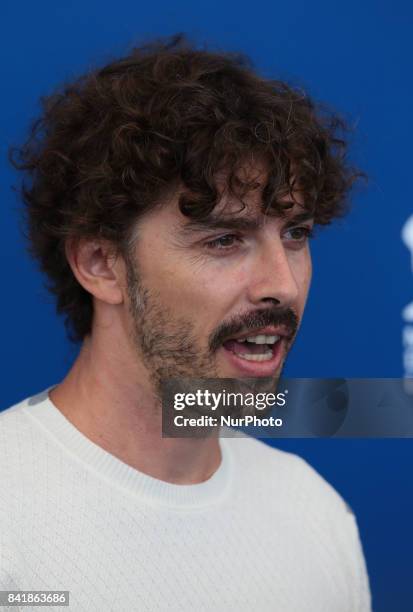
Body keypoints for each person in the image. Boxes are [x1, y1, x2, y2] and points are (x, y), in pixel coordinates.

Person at [1, 34, 371, 611]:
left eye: (296, 233)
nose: (284, 284)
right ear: (102, 264)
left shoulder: (314, 511)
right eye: (225, 239)